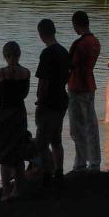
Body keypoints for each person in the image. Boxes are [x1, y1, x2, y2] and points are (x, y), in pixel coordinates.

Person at [0, 41, 31, 201]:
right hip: (19, 112)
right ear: (19, 54)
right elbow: (25, 94)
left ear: (5, 55)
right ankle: (17, 189)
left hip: (3, 114)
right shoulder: (26, 73)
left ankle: (6, 191)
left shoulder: (1, 72)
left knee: (4, 153)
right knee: (18, 151)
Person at [34, 19, 71, 191]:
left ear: (41, 34)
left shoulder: (46, 54)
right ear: (54, 31)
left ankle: (46, 176)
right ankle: (59, 172)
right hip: (62, 99)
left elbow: (43, 81)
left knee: (42, 142)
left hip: (48, 102)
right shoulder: (64, 52)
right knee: (56, 138)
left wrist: (40, 101)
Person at [68, 11, 102, 172]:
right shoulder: (95, 41)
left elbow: (71, 65)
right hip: (90, 84)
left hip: (77, 86)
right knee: (91, 125)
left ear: (76, 25)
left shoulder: (79, 44)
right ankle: (95, 162)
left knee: (76, 127)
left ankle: (81, 163)